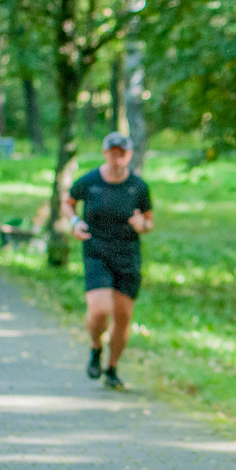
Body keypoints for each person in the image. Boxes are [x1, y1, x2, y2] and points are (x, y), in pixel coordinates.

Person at [62, 132, 153, 391]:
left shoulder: (138, 186)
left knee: (123, 317)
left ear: (129, 155)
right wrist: (75, 222)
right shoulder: (90, 181)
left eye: (122, 154)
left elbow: (149, 221)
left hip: (127, 256)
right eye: (113, 153)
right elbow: (67, 203)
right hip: (97, 252)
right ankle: (95, 346)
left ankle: (112, 368)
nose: (117, 158)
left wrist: (142, 224)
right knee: (100, 310)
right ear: (105, 154)